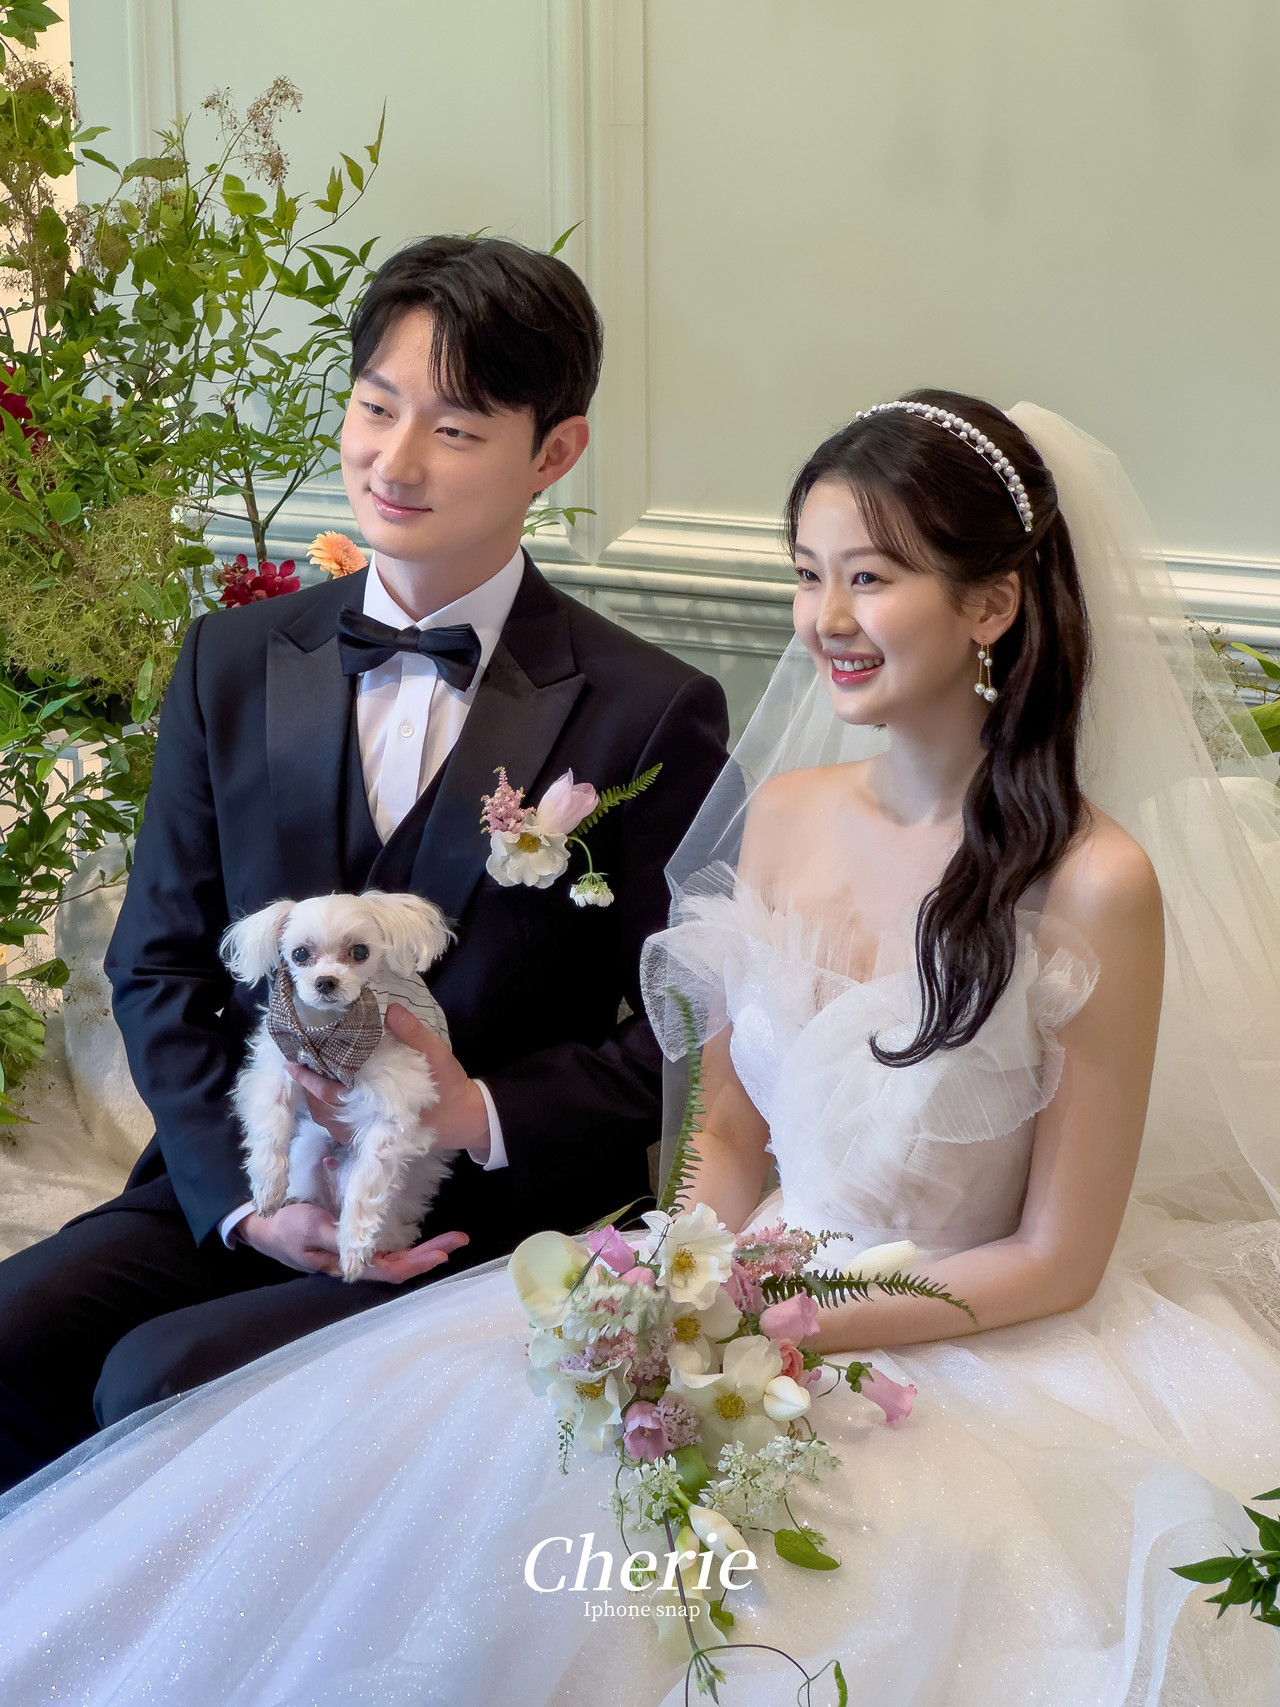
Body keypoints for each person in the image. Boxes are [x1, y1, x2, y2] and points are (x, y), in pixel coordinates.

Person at [1, 393, 1278, 1707]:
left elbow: (1057, 1259)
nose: (825, 619)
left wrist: (770, 1322)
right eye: (807, 575)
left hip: (963, 1334)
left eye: (871, 578)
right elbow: (721, 1133)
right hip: (723, 1291)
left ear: (991, 604)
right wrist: (671, 1283)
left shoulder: (1095, 883)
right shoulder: (783, 815)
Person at [0, 234, 730, 1492]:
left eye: (454, 429)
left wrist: (475, 1112)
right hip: (247, 1170)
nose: (393, 461)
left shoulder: (645, 709)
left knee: (156, 1389)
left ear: (554, 452)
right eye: (375, 407)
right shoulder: (231, 663)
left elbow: (694, 1029)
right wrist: (248, 1200)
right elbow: (159, 963)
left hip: (475, 1214)